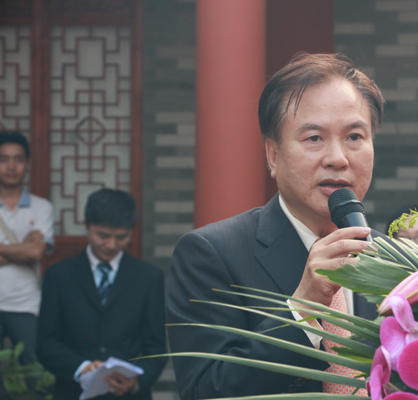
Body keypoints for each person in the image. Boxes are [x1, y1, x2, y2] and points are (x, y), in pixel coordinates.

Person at [166, 52, 387, 399]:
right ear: (273, 155)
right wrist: (303, 309)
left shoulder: (399, 262)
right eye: (314, 138)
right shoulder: (210, 254)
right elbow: (205, 391)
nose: (338, 158)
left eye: (355, 136)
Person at [36, 188, 167, 400]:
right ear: (86, 225)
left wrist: (136, 382)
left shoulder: (149, 277)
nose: (111, 245)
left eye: (121, 237)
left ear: (132, 231)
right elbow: (46, 343)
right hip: (73, 392)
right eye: (103, 236)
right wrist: (82, 368)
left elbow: (157, 349)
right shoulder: (59, 275)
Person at [0, 130, 53, 366]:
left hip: (27, 305)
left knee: (36, 373)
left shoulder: (42, 207)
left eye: (18, 159)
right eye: (3, 159)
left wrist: (29, 250)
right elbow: (29, 251)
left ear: (27, 164)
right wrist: (24, 247)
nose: (11, 166)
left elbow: (36, 252)